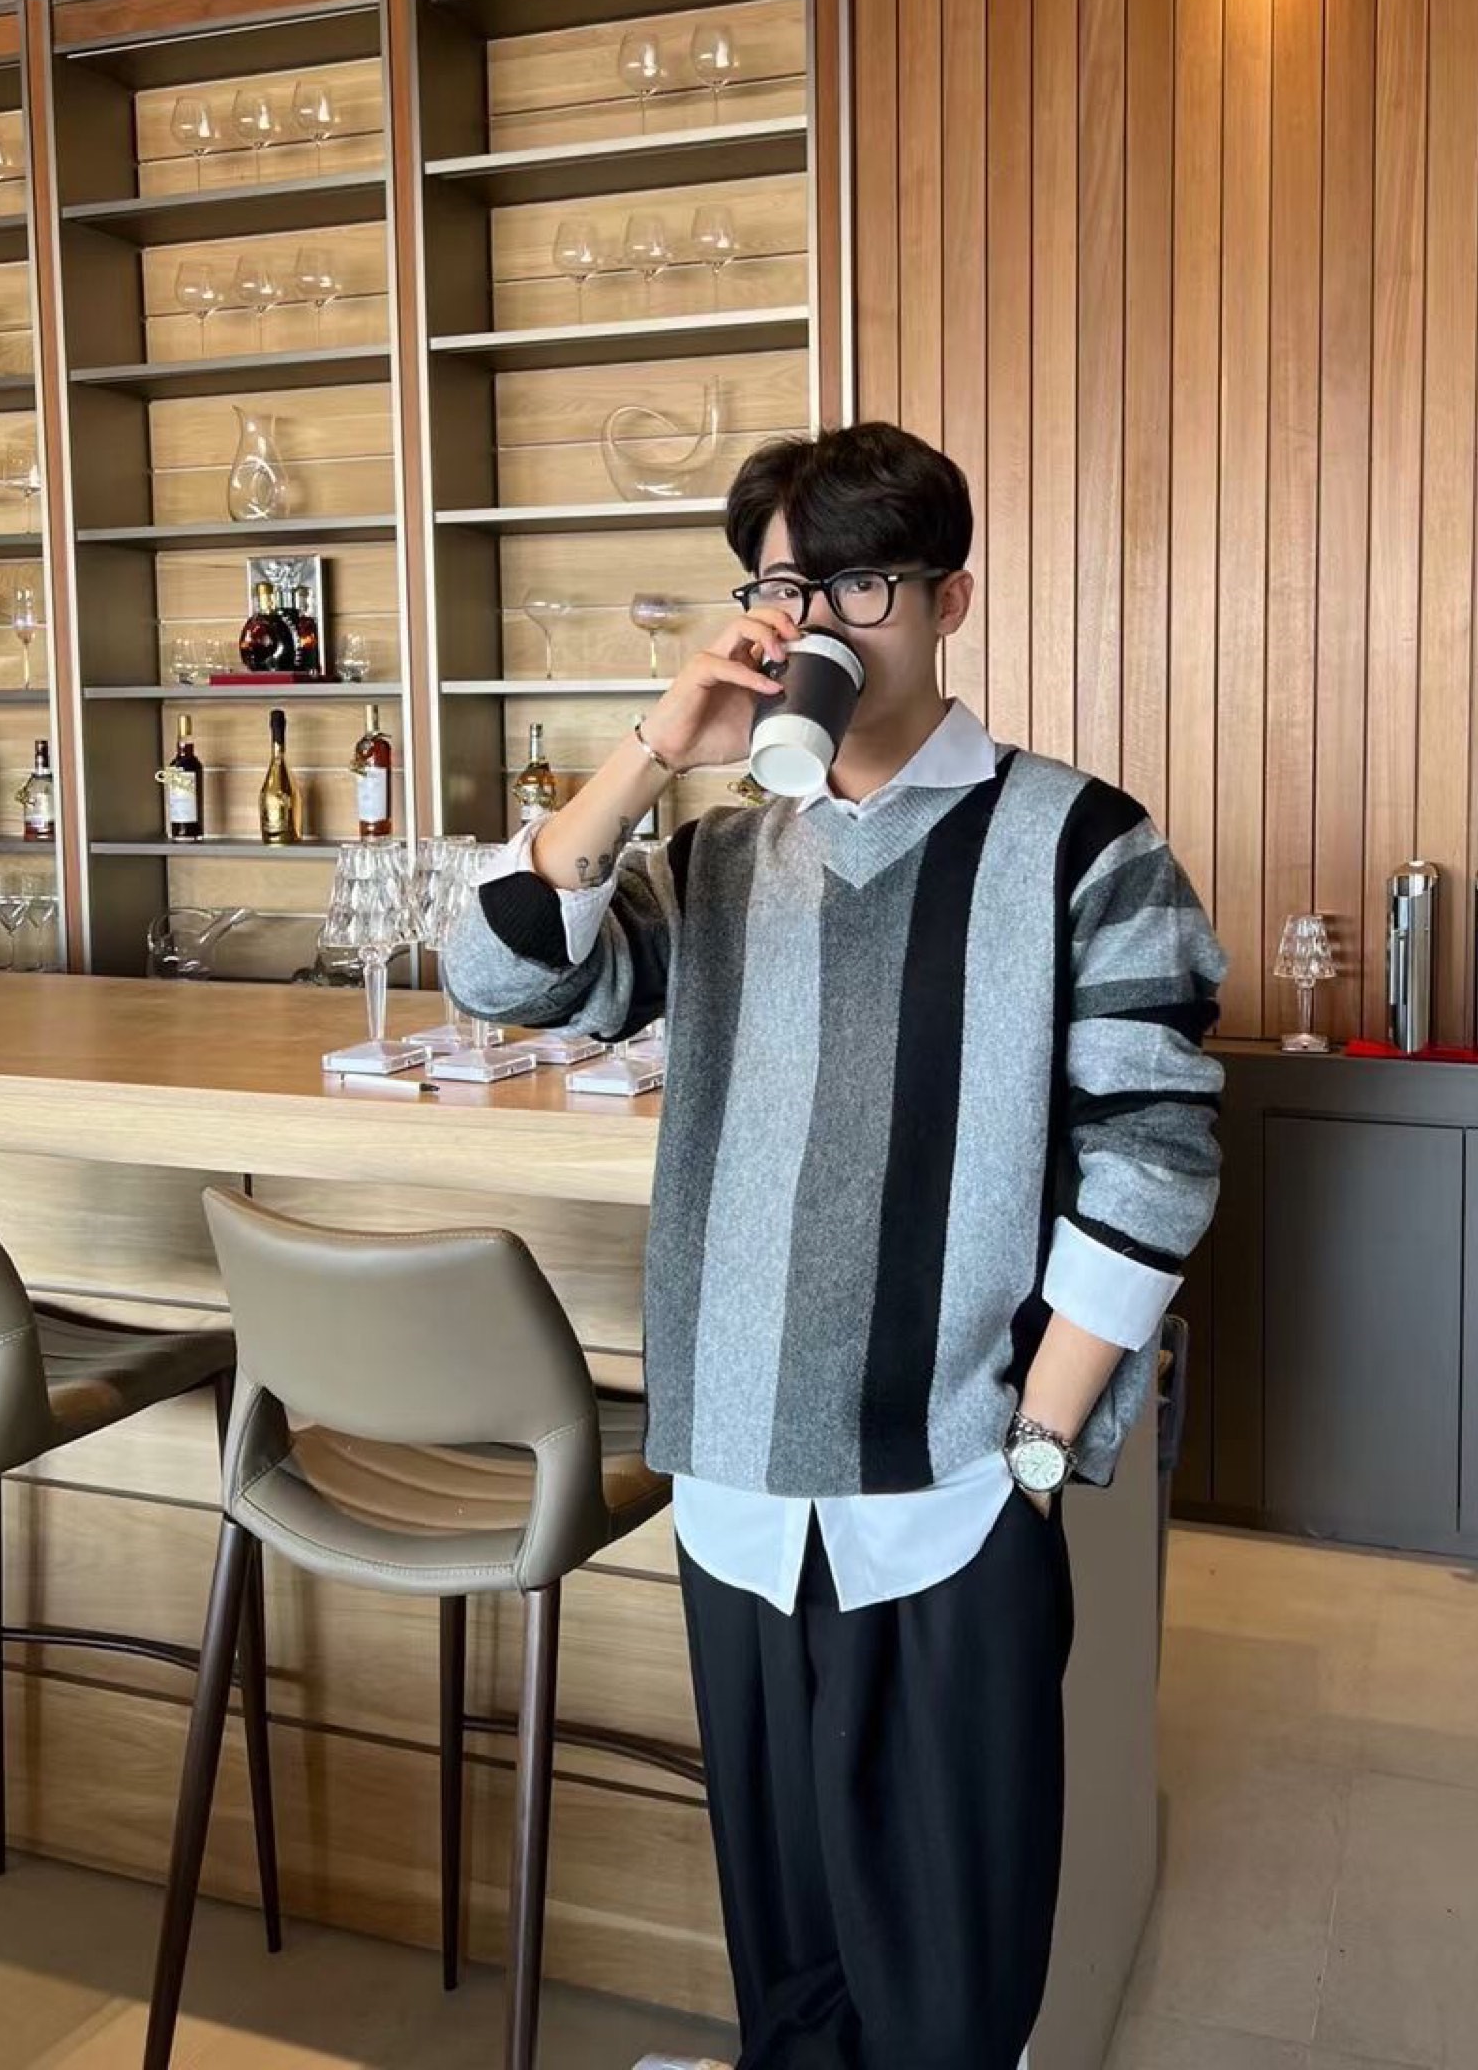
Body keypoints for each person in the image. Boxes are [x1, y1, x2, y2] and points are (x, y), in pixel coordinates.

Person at [443, 420, 1227, 2070]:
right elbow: (504, 979)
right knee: (787, 1969)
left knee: (955, 1987)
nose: (821, 623)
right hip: (733, 1475)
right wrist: (658, 747)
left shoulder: (1084, 844)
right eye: (789, 587)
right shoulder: (720, 853)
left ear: (948, 600)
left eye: (863, 584)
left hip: (951, 1489)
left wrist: (1035, 1450)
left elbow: (1154, 1159)